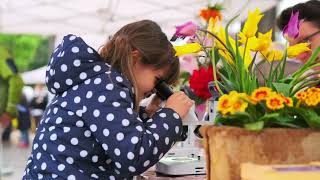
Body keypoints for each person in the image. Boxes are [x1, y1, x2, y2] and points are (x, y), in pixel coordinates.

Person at [23, 20, 194, 179]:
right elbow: (133, 156)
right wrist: (171, 115)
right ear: (136, 58)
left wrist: (147, 114)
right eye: (157, 80)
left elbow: (112, 132)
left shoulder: (98, 81)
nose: (153, 90)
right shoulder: (108, 85)